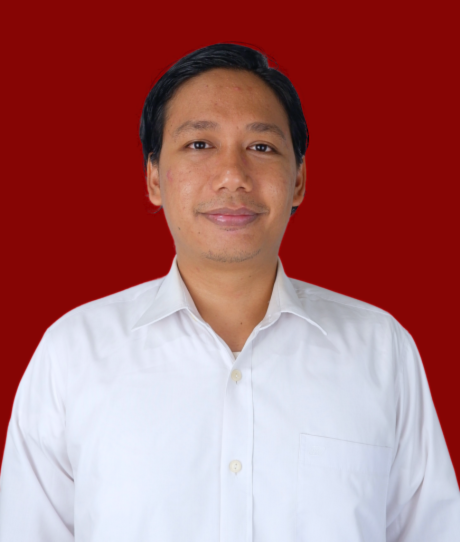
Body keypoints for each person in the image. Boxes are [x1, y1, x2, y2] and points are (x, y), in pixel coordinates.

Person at [0, 43, 458, 542]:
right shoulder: (73, 354)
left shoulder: (381, 350)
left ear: (299, 180)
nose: (233, 177)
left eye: (261, 147)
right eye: (200, 144)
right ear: (153, 177)